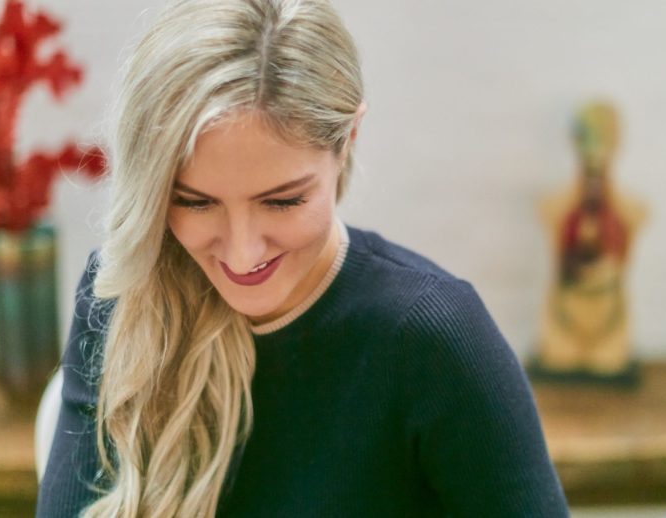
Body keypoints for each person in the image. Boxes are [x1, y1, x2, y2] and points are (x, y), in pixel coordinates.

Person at [37, 0, 569, 516]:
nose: (242, 254)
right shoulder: (120, 296)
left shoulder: (432, 338)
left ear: (348, 139)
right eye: (195, 202)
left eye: (283, 201)